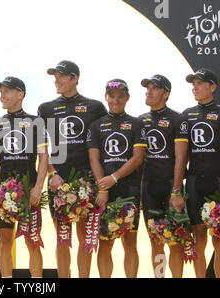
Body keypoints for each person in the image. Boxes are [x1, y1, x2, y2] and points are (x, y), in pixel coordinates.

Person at [37, 60, 107, 277]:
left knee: (85, 235)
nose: (56, 80)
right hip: (59, 179)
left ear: (75, 78)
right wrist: (52, 173)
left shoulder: (95, 107)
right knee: (62, 237)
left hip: (86, 179)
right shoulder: (46, 108)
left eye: (61, 76)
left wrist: (99, 180)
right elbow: (42, 145)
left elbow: (103, 144)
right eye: (54, 76)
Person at [171, 68, 220, 278]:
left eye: (200, 83)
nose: (195, 88)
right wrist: (176, 190)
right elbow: (181, 158)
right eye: (193, 84)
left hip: (219, 182)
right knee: (199, 240)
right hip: (194, 182)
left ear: (213, 87)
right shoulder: (186, 116)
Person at [0, 76, 48, 278]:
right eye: (0, 92)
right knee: (5, 241)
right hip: (4, 191)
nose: (2, 96)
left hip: (29, 190)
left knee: (32, 241)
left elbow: (43, 157)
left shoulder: (35, 122)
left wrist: (38, 188)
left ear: (20, 94)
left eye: (6, 91)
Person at [87, 79, 147, 278]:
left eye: (120, 96)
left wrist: (114, 177)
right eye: (112, 96)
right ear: (106, 97)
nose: (116, 100)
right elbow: (94, 159)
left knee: (130, 242)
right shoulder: (96, 125)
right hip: (105, 189)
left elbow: (137, 158)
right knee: (105, 241)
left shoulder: (137, 123)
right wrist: (103, 187)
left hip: (128, 187)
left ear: (127, 98)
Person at [138, 74, 185, 278]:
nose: (148, 91)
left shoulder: (177, 119)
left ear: (165, 93)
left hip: (170, 187)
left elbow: (182, 159)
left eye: (154, 88)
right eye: (147, 88)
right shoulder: (141, 120)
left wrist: (176, 190)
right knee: (156, 241)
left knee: (174, 241)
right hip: (149, 187)